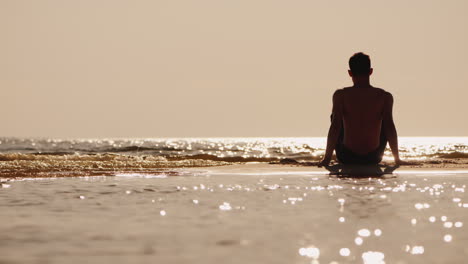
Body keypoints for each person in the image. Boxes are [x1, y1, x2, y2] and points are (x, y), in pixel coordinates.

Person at [318, 52, 407, 167]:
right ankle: (396, 158)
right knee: (386, 121)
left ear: (350, 73)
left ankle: (329, 157)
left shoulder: (341, 95)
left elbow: (335, 127)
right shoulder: (384, 96)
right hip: (373, 157)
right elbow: (389, 127)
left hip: (347, 157)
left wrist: (327, 159)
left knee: (335, 118)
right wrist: (397, 159)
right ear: (371, 71)